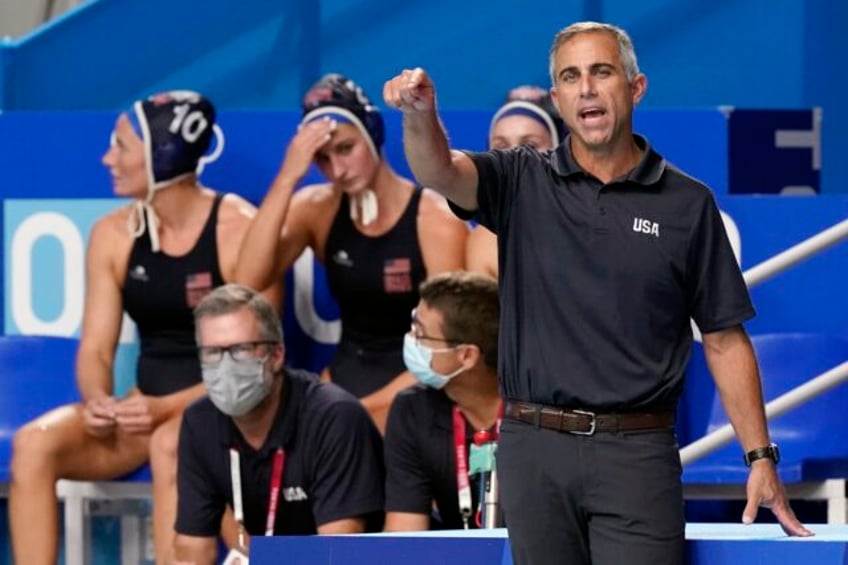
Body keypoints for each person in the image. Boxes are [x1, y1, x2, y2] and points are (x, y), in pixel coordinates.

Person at [384, 20, 812, 565]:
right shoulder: (519, 180)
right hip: (533, 448)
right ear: (559, 99)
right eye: (570, 76)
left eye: (601, 71)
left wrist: (759, 458)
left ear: (635, 88)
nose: (586, 87)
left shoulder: (687, 205)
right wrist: (420, 118)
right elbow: (440, 171)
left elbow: (724, 339)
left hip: (636, 454)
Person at [8, 90, 281, 565]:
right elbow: (96, 349)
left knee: (172, 440)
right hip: (144, 415)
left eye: (120, 145)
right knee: (33, 444)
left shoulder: (240, 230)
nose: (107, 157)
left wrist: (164, 409)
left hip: (227, 416)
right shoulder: (113, 234)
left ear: (162, 154)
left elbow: (257, 367)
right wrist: (98, 400)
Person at [234, 73, 467, 433]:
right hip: (346, 379)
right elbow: (247, 281)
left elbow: (451, 344)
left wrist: (359, 411)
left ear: (372, 134)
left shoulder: (433, 220)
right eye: (322, 159)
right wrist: (287, 176)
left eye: (345, 149)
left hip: (416, 384)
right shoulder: (318, 208)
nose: (337, 170)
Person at [173, 284, 385, 564]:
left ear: (276, 355)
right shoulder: (199, 423)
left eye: (242, 349)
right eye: (212, 352)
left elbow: (338, 555)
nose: (226, 366)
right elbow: (191, 552)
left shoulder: (333, 417)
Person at [383, 271, 501, 531]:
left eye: (421, 334)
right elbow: (404, 536)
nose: (411, 340)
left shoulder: (534, 413)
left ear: (467, 356)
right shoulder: (412, 411)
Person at [467, 85, 567, 278]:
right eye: (501, 146)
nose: (513, 158)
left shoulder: (592, 221)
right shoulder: (484, 241)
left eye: (529, 146)